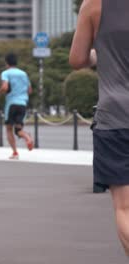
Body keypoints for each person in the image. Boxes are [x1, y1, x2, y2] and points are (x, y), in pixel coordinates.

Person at [69, 0, 129, 255]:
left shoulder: (94, 4)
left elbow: (77, 59)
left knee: (124, 208)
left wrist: (99, 54)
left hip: (115, 116)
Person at [0, 53, 33, 159]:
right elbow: (29, 90)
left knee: (9, 128)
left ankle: (15, 152)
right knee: (18, 129)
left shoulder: (6, 73)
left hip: (12, 104)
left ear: (6, 63)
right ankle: (27, 137)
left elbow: (5, 87)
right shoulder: (24, 74)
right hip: (23, 103)